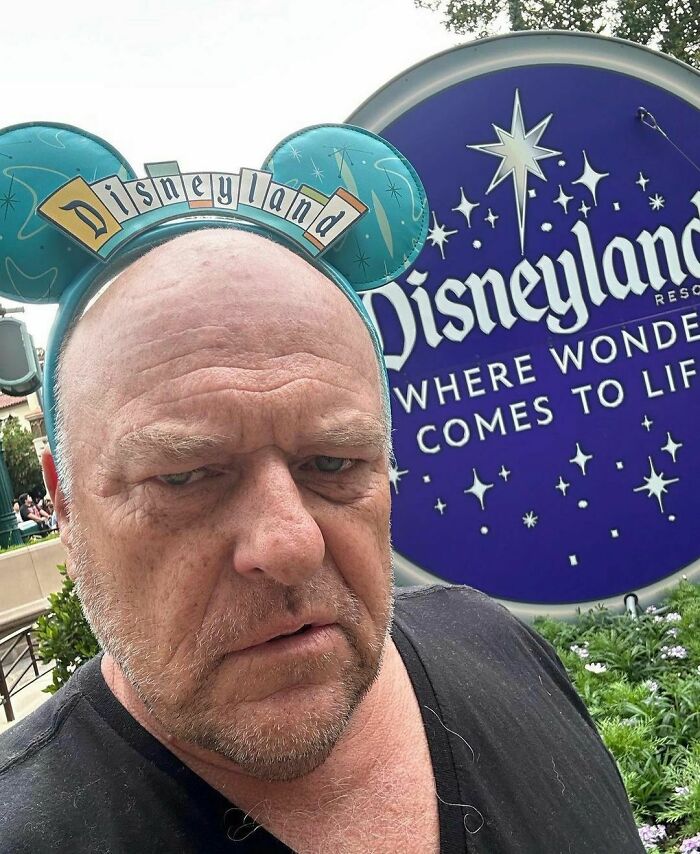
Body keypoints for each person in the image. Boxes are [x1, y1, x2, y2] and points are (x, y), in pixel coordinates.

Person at [0, 122, 644, 853]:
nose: (291, 542)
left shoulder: (498, 646)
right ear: (64, 502)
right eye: (183, 477)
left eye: (334, 462)